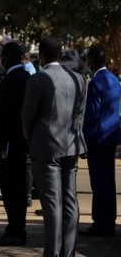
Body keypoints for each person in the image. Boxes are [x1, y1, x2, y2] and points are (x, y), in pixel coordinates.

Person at [21, 37, 87, 257]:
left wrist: (31, 138)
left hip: (46, 147)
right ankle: (68, 252)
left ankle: (53, 253)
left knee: (52, 204)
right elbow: (79, 114)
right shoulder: (79, 79)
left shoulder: (38, 79)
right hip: (71, 145)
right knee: (70, 201)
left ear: (41, 55)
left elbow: (27, 118)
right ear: (61, 54)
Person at [0, 42, 32, 246]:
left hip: (9, 146)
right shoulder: (27, 78)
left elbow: (5, 117)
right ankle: (17, 228)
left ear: (5, 59)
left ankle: (14, 230)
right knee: (19, 190)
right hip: (23, 144)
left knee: (11, 189)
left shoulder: (9, 81)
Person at [79, 45, 121, 237]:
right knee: (109, 182)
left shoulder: (95, 83)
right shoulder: (114, 80)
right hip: (111, 137)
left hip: (97, 139)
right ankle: (109, 220)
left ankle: (100, 223)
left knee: (98, 183)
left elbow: (92, 116)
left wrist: (84, 141)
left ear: (92, 61)